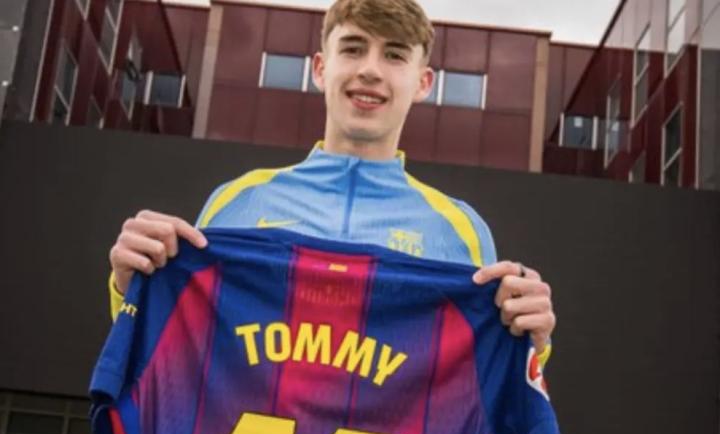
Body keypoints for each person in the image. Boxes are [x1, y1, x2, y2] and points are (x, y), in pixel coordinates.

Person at [107, 0, 556, 365]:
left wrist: (531, 343)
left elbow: (482, 385)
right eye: (353, 49)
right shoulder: (237, 201)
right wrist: (129, 289)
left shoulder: (461, 231)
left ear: (422, 83)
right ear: (321, 68)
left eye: (394, 55)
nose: (371, 70)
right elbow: (175, 354)